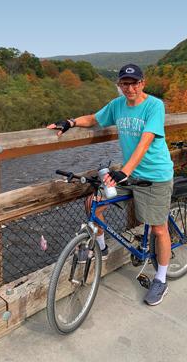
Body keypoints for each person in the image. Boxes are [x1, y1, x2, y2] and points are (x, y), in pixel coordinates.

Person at [47, 64, 174, 306]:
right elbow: (95, 119)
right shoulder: (117, 105)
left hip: (154, 175)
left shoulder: (154, 106)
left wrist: (124, 171)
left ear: (142, 83)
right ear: (120, 86)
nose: (130, 88)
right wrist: (70, 122)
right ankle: (102, 247)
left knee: (158, 229)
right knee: (93, 202)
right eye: (125, 84)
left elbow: (146, 141)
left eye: (134, 83)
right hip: (129, 175)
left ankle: (160, 279)